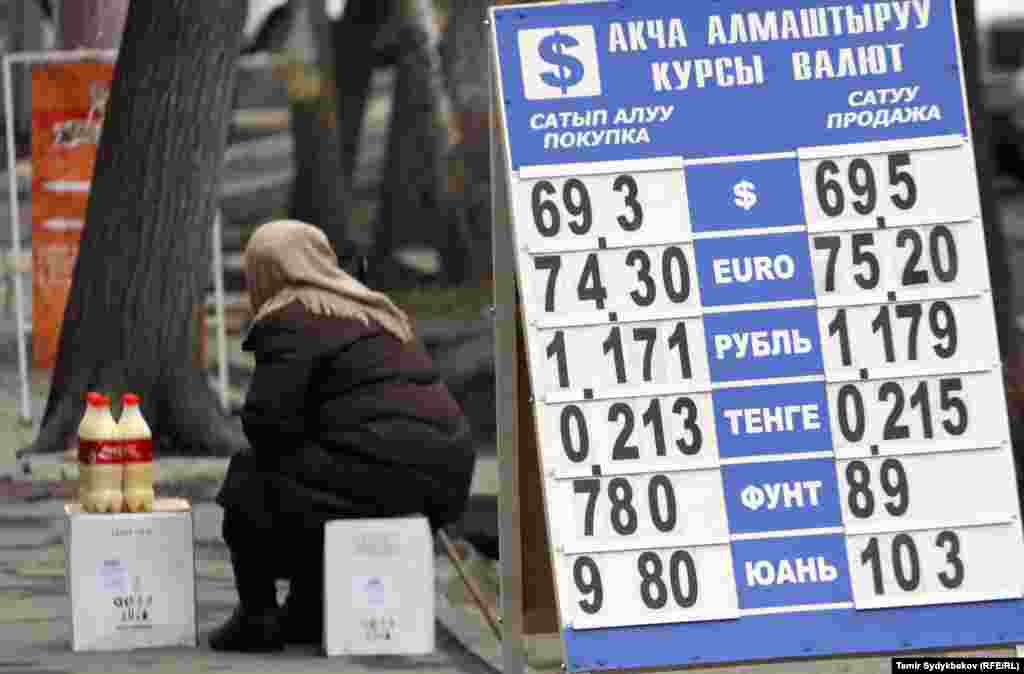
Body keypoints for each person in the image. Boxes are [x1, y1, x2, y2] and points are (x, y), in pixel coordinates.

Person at [209, 220, 476, 652]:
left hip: (379, 469)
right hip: (446, 478)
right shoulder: (372, 308)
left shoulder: (290, 313)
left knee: (252, 475)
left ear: (267, 269)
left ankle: (257, 614)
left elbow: (266, 422)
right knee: (316, 476)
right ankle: (307, 611)